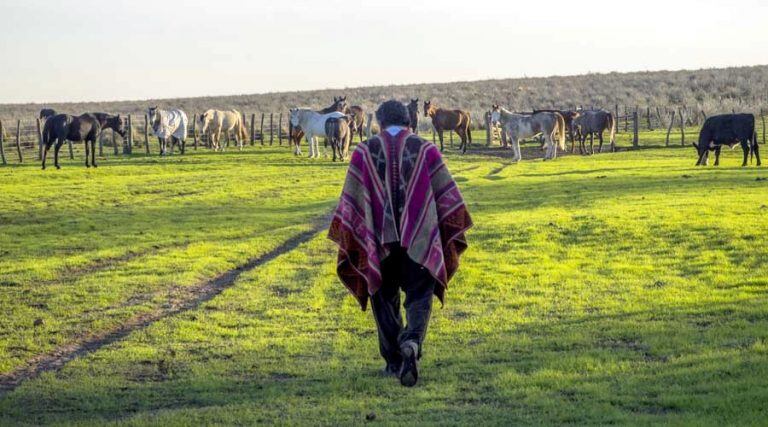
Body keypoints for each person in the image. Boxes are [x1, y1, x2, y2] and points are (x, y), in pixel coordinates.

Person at [328, 100, 473, 387]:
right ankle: (412, 343)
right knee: (420, 294)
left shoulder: (364, 152)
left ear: (379, 124)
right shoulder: (426, 150)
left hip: (377, 241)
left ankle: (394, 360)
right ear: (409, 122)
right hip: (419, 240)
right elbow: (448, 199)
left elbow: (352, 201)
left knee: (382, 297)